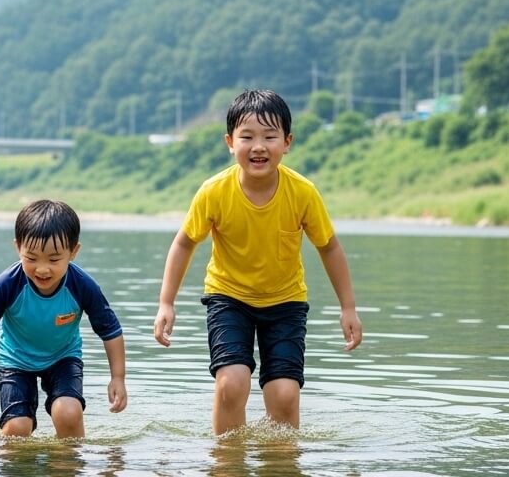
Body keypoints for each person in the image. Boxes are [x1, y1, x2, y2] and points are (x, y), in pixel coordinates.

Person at [152, 89, 362, 435]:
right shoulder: (214, 192)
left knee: (284, 393)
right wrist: (166, 303)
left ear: (287, 142)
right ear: (230, 142)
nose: (259, 146)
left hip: (285, 301)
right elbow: (184, 242)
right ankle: (226, 463)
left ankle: (279, 461)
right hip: (228, 298)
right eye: (247, 137)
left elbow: (330, 247)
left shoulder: (303, 193)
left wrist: (348, 308)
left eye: (270, 136)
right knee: (232, 383)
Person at [0, 199, 127, 438]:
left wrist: (118, 378)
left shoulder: (82, 286)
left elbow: (110, 330)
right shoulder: (8, 284)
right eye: (31, 258)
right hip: (16, 360)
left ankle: (69, 463)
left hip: (63, 357)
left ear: (73, 252)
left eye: (53, 260)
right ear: (18, 247)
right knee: (17, 429)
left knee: (68, 413)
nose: (42, 269)